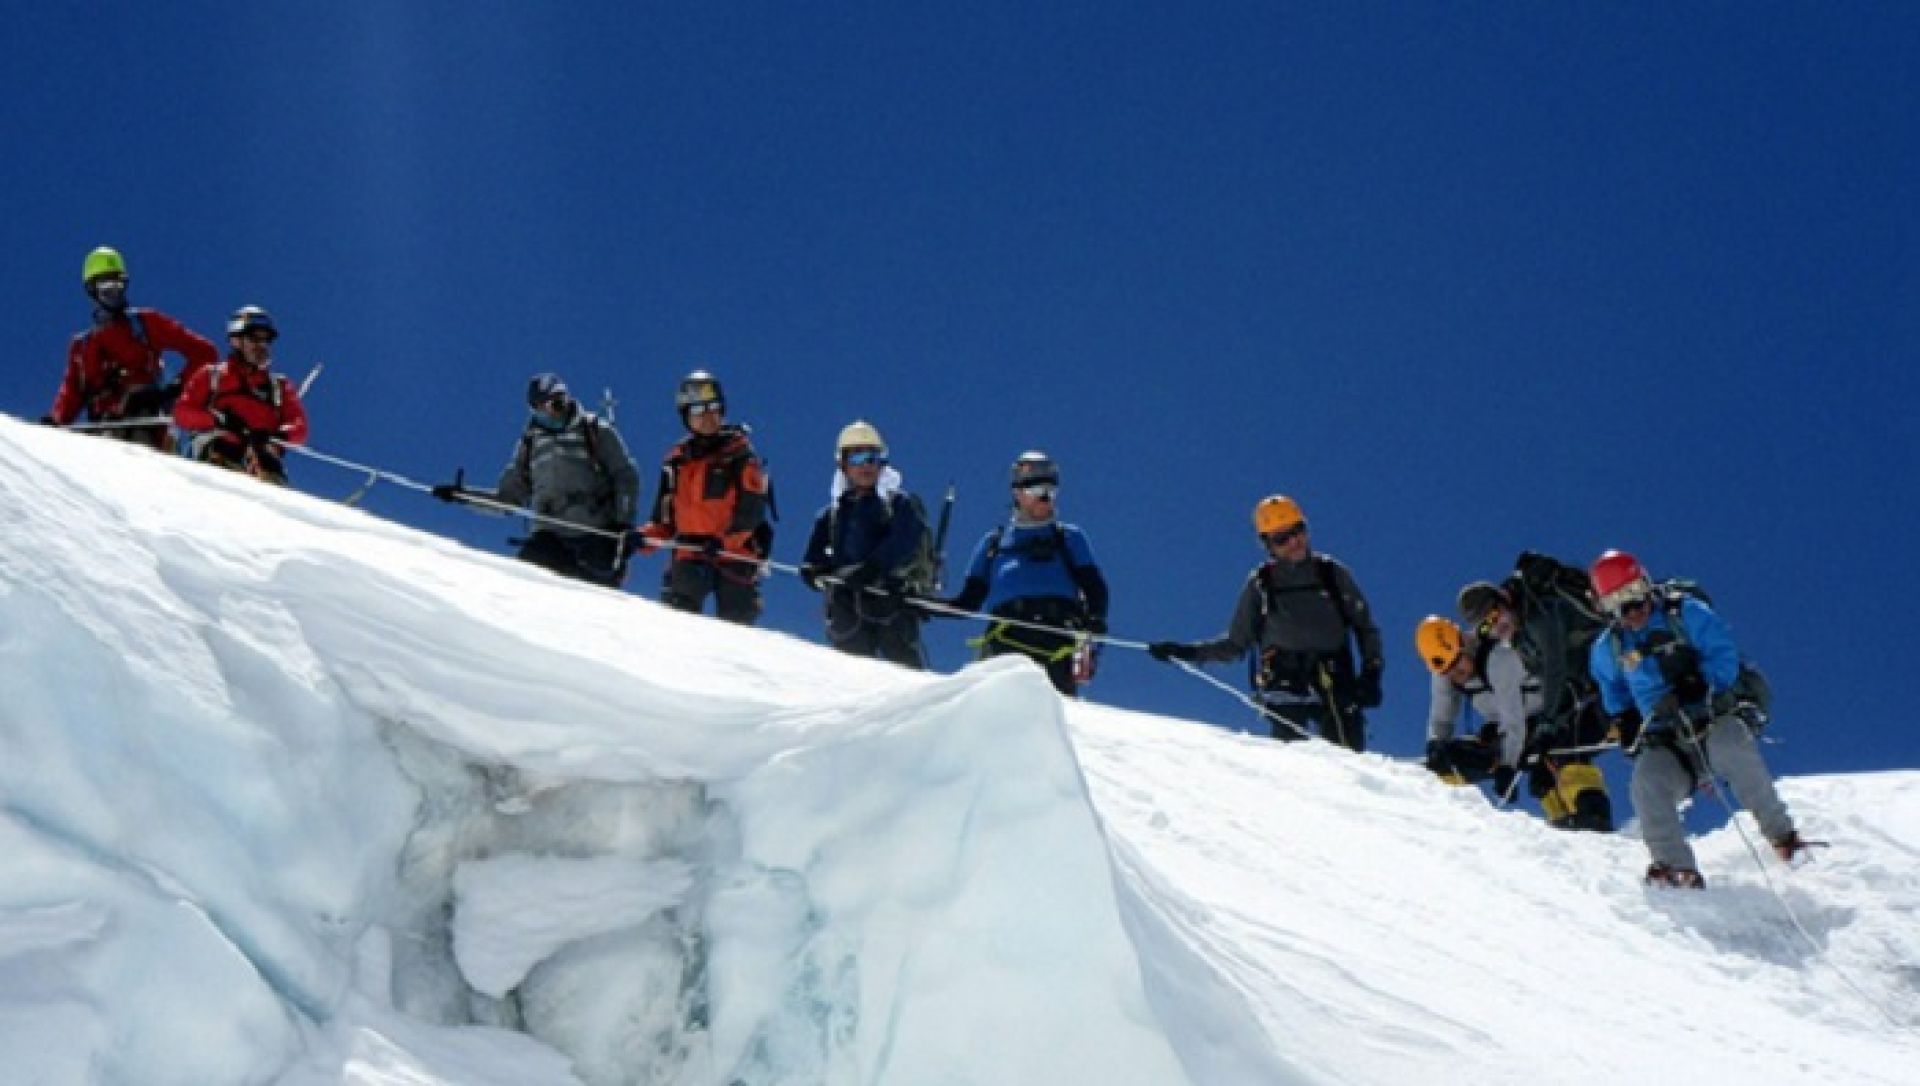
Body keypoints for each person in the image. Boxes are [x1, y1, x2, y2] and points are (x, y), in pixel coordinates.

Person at [1587, 549, 1807, 888]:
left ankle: (1785, 838)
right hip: (1668, 739)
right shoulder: (1610, 648)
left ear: (1646, 585)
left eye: (1633, 595)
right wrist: (1627, 721)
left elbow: (1724, 655)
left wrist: (1698, 682)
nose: (1631, 610)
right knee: (1647, 782)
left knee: (1731, 749)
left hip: (1713, 717)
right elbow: (1613, 693)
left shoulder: (1686, 613)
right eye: (1618, 604)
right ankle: (1675, 868)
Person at [1148, 496, 1383, 749]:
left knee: (1345, 757)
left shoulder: (1332, 574)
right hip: (1285, 683)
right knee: (1293, 758)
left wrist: (1371, 673)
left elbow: (1365, 627)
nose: (1294, 541)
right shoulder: (1261, 584)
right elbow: (1235, 643)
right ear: (1268, 545)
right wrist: (1187, 652)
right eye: (1282, 538)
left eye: (1298, 530)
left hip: (1335, 681)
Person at [433, 373, 641, 587]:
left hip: (594, 533)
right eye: (540, 408)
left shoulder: (595, 430)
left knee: (592, 591)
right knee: (528, 581)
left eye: (557, 404)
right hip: (550, 536)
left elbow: (625, 475)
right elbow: (508, 500)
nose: (551, 413)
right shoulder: (531, 443)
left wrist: (623, 523)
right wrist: (463, 496)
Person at [1454, 568, 1614, 831]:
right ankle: (1565, 825)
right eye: (1485, 626)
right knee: (1544, 768)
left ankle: (1593, 820)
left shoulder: (1540, 617)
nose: (1495, 627)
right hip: (1590, 688)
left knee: (1567, 748)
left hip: (1616, 681)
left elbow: (1556, 669)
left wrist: (1548, 725)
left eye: (1494, 615)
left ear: (1504, 598)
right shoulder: (1519, 638)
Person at [1416, 615, 1612, 831]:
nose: (1455, 674)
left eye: (1456, 664)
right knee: (1464, 758)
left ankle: (1593, 818)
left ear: (1464, 644)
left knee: (1562, 755)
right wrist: (1436, 746)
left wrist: (1508, 766)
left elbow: (1513, 720)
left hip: (1560, 712)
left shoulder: (1498, 659)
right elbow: (1441, 718)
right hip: (1518, 725)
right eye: (1447, 671)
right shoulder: (1444, 671)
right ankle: (1427, 804)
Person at [940, 451, 1110, 696]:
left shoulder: (1069, 538)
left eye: (1050, 492)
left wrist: (1093, 634)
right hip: (1005, 639)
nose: (1045, 498)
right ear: (1017, 493)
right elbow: (967, 602)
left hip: (1055, 638)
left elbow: (1095, 589)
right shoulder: (993, 543)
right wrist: (922, 603)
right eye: (1037, 491)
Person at [630, 370, 770, 623]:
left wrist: (724, 543)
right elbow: (664, 519)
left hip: (733, 554)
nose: (707, 417)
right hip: (689, 553)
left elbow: (751, 511)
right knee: (679, 619)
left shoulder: (739, 454)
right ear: (686, 416)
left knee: (736, 623)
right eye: (697, 411)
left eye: (713, 408)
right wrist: (643, 538)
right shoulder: (676, 461)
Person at [47, 246, 218, 450]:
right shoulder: (81, 347)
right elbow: (71, 393)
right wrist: (54, 422)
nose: (113, 292)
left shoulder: (146, 323)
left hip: (146, 426)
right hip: (101, 433)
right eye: (106, 286)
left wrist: (172, 391)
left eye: (118, 284)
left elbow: (205, 353)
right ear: (92, 290)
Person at [799, 421, 930, 669]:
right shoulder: (832, 514)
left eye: (873, 457)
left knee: (904, 677)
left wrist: (872, 569)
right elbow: (813, 558)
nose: (867, 465)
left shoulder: (899, 504)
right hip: (847, 608)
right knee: (851, 676)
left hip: (890, 602)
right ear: (843, 464)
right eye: (857, 457)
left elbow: (904, 541)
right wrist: (814, 570)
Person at [172, 307, 310, 485]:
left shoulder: (279, 386)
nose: (261, 346)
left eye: (266, 340)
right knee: (224, 457)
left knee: (269, 468)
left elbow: (300, 428)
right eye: (254, 338)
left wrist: (277, 435)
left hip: (262, 462)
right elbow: (182, 413)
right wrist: (218, 420)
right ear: (236, 341)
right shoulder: (212, 376)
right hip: (219, 453)